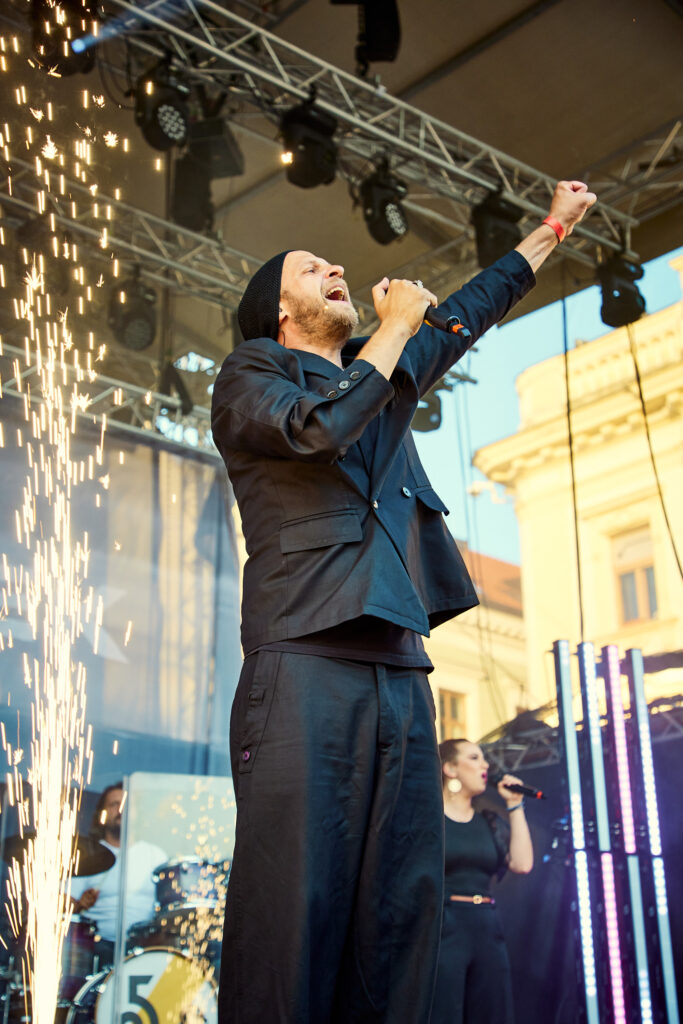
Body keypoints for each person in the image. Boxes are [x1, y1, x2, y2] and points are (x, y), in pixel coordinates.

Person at [210, 180, 596, 1023]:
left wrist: (551, 229)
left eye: (333, 263)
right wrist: (390, 331)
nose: (335, 269)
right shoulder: (252, 372)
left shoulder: (381, 373)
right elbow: (316, 429)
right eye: (311, 269)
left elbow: (466, 313)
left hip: (399, 661)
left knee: (400, 904)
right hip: (306, 653)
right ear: (278, 312)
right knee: (298, 898)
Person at [431, 739, 533, 1024]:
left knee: (492, 1012)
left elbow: (522, 864)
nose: (485, 765)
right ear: (450, 768)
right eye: (474, 758)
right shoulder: (431, 819)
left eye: (484, 758)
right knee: (445, 1011)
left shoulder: (487, 821)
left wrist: (515, 805)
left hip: (486, 925)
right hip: (445, 925)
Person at [69, 782, 166, 965]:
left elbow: (170, 907)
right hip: (96, 948)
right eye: (114, 804)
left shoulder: (156, 855)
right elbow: (62, 903)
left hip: (144, 950)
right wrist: (79, 905)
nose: (121, 810)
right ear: (102, 814)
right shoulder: (87, 855)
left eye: (127, 805)